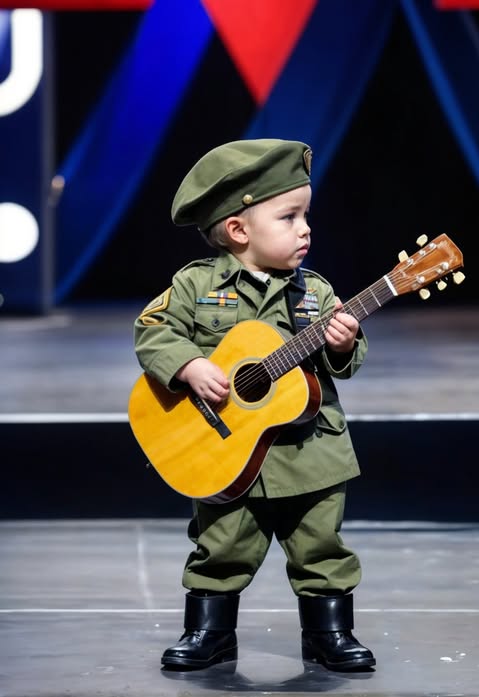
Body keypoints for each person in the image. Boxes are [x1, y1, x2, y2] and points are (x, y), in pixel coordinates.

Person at [133, 138, 376, 672]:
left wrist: (341, 343)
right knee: (220, 547)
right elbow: (152, 330)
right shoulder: (196, 286)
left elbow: (347, 363)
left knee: (322, 548)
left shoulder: (315, 292)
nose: (305, 228)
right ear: (239, 230)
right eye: (289, 217)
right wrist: (189, 366)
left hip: (310, 453)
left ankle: (330, 634)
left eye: (306, 215)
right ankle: (209, 632)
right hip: (222, 448)